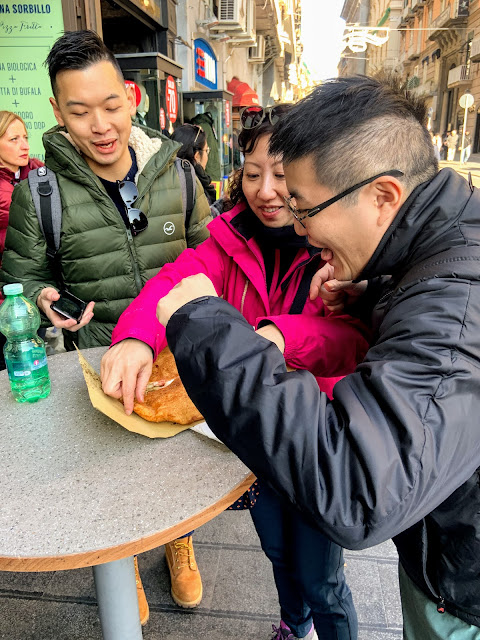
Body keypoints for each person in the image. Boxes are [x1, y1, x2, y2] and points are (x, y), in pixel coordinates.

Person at [154, 75, 480, 640]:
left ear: (383, 197)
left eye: (305, 208)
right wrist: (374, 295)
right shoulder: (439, 247)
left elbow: (357, 489)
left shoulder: (454, 309)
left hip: (462, 596)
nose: (300, 230)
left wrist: (209, 329)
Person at [101, 103, 370, 639]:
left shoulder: (339, 248)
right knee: (277, 552)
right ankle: (293, 626)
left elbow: (355, 339)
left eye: (282, 175)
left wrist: (280, 336)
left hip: (319, 440)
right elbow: (171, 282)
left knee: (322, 579)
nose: (266, 191)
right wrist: (136, 336)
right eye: (252, 174)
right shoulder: (227, 240)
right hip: (256, 434)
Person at [0, 30, 211, 625]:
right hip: (99, 360)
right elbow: (19, 279)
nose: (100, 125)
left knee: (176, 467)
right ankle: (125, 559)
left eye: (110, 105)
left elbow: (213, 257)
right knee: (116, 474)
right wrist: (41, 298)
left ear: (131, 97)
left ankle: (178, 541)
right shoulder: (39, 193)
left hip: (177, 357)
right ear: (56, 111)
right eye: (79, 111)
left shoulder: (179, 174)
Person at [0, 110, 44, 369]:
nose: (24, 145)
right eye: (14, 139)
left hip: (33, 287)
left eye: (25, 137)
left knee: (35, 360)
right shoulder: (10, 191)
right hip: (6, 296)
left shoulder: (38, 173)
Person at [172, 123, 216, 204]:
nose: (207, 156)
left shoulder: (167, 179)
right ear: (197, 156)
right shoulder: (196, 187)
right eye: (206, 150)